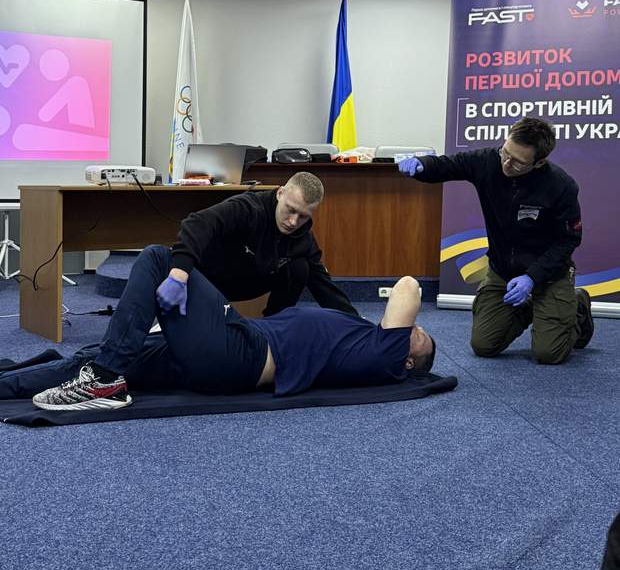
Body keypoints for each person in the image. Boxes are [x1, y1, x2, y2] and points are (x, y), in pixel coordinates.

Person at [0, 244, 435, 410]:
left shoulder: (386, 356)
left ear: (410, 360)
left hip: (242, 354)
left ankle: (104, 379)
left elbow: (408, 286)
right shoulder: (367, 342)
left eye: (418, 335)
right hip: (230, 347)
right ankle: (95, 374)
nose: (413, 329)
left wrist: (400, 331)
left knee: (160, 259)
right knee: (90, 357)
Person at [399, 117, 593, 364]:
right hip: (503, 270)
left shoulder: (561, 186)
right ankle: (534, 308)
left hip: (548, 275)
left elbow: (567, 241)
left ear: (539, 162)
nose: (507, 163)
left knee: (549, 354)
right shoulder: (488, 161)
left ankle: (576, 306)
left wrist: (532, 278)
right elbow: (448, 165)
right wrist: (421, 165)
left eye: (518, 162)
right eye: (505, 152)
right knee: (484, 346)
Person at [156, 171, 358, 317]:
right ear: (280, 193)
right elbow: (198, 222)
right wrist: (179, 274)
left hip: (247, 283)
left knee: (301, 267)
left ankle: (275, 325)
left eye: (303, 216)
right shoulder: (249, 208)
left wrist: (355, 322)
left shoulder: (303, 237)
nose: (293, 222)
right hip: (210, 279)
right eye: (290, 209)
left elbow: (323, 285)